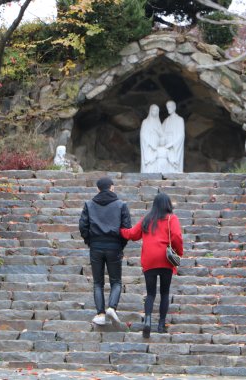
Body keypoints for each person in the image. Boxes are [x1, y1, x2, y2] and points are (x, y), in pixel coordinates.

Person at [120, 193, 183, 338]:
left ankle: (147, 320)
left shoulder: (147, 219)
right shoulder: (171, 219)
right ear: (168, 205)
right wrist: (179, 252)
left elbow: (132, 234)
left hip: (149, 259)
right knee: (165, 293)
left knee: (150, 293)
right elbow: (177, 236)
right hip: (165, 259)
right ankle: (161, 325)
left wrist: (120, 230)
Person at [79, 177, 131, 326]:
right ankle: (112, 307)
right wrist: (120, 244)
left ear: (98, 189)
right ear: (112, 188)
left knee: (98, 282)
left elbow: (83, 226)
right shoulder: (121, 205)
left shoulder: (89, 205)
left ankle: (100, 313)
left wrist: (90, 241)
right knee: (116, 281)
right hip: (114, 246)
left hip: (96, 246)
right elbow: (126, 228)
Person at [161, 100, 185, 173]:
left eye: (170, 107)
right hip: (166, 144)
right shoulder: (166, 121)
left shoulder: (180, 120)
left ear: (174, 107)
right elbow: (161, 133)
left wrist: (171, 144)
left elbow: (181, 135)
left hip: (174, 145)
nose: (168, 109)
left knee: (174, 165)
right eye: (167, 107)